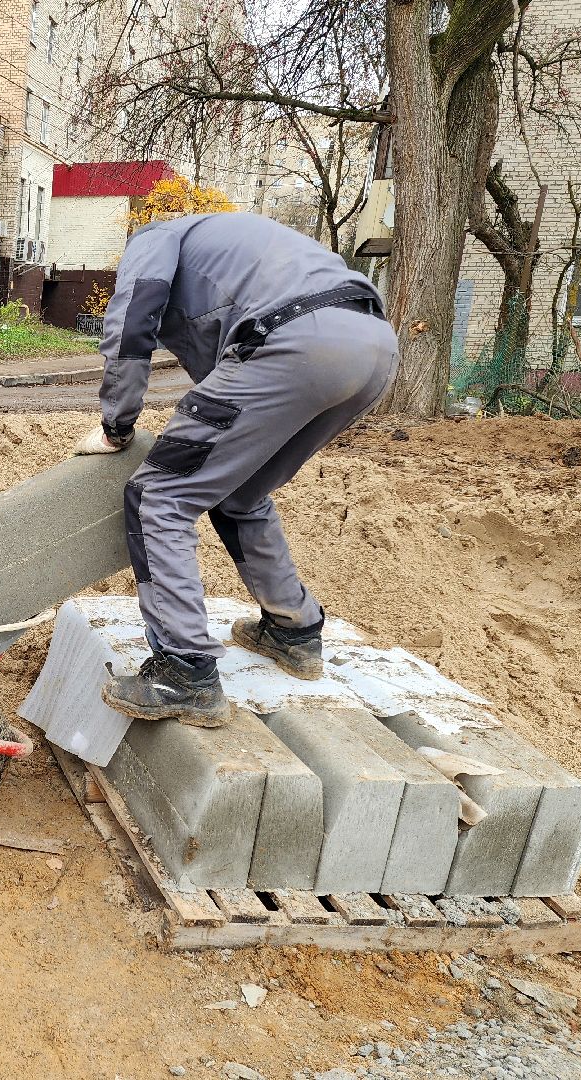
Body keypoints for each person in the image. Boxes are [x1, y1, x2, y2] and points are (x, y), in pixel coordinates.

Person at [78, 213, 399, 728]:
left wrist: (116, 426)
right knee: (242, 492)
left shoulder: (155, 238)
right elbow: (223, 376)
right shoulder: (237, 247)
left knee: (160, 494)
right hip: (373, 348)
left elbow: (132, 325)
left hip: (295, 341)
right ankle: (293, 629)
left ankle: (184, 672)